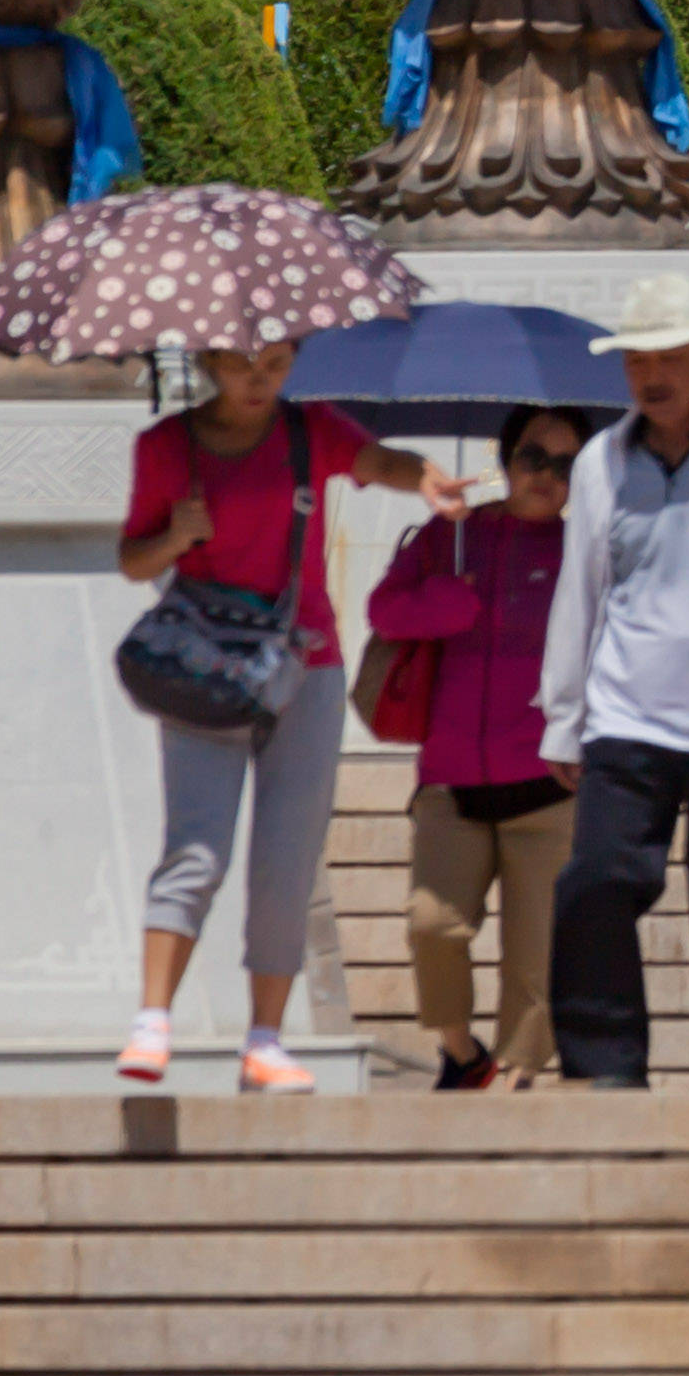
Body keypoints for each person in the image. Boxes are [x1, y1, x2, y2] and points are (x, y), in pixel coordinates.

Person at [117, 345, 473, 1092]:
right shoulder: (165, 446)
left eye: (277, 363)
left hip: (304, 669)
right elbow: (133, 561)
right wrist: (177, 537)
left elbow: (378, 462)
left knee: (287, 857)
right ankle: (153, 1020)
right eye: (246, 362)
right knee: (197, 848)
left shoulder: (311, 431)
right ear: (213, 357)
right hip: (204, 670)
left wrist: (426, 478)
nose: (260, 378)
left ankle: (265, 1037)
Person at [541, 275, 689, 1092]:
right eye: (635, 361)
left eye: (667, 358)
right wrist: (564, 717)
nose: (651, 376)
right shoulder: (600, 461)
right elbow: (579, 588)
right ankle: (603, 1066)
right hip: (627, 712)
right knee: (595, 884)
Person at [368, 401, 583, 1087]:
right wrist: (445, 603)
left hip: (549, 788)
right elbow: (383, 611)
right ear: (506, 459)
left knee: (538, 960)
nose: (547, 475)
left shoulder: (588, 553)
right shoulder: (450, 538)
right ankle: (462, 1054)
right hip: (452, 785)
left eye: (567, 463)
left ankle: (519, 1075)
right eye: (533, 457)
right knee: (432, 925)